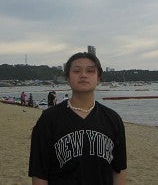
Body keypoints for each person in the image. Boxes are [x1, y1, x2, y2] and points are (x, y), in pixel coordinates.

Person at [28, 52, 127, 185]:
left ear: (99, 78)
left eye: (90, 71)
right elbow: (39, 174)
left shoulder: (113, 119)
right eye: (76, 71)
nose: (83, 75)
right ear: (68, 78)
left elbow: (118, 170)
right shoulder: (49, 119)